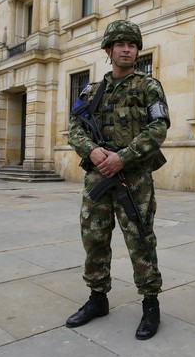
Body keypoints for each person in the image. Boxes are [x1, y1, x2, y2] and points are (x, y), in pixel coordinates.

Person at [66, 20, 170, 340]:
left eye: (132, 44)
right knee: (94, 237)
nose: (127, 49)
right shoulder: (91, 91)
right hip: (98, 176)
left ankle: (150, 304)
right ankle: (98, 298)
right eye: (120, 44)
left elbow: (159, 127)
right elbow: (75, 128)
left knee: (140, 238)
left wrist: (122, 157)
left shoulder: (148, 86)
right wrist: (93, 152)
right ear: (109, 50)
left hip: (133, 177)